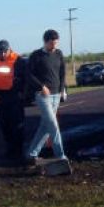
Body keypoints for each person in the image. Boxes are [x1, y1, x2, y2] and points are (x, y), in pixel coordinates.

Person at [26, 29, 67, 164]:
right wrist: (41, 86)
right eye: (52, 43)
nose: (54, 46)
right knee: (53, 125)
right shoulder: (36, 56)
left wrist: (62, 90)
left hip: (56, 94)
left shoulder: (59, 54)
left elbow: (62, 73)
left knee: (45, 126)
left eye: (56, 43)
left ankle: (32, 153)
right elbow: (29, 75)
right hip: (42, 95)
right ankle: (60, 155)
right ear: (45, 41)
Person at [0, 39, 27, 161]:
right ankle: (9, 150)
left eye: (5, 51)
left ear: (9, 49)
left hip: (14, 96)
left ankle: (18, 151)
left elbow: (26, 79)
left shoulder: (18, 60)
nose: (3, 54)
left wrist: (22, 94)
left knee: (17, 125)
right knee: (4, 125)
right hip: (0, 97)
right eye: (0, 52)